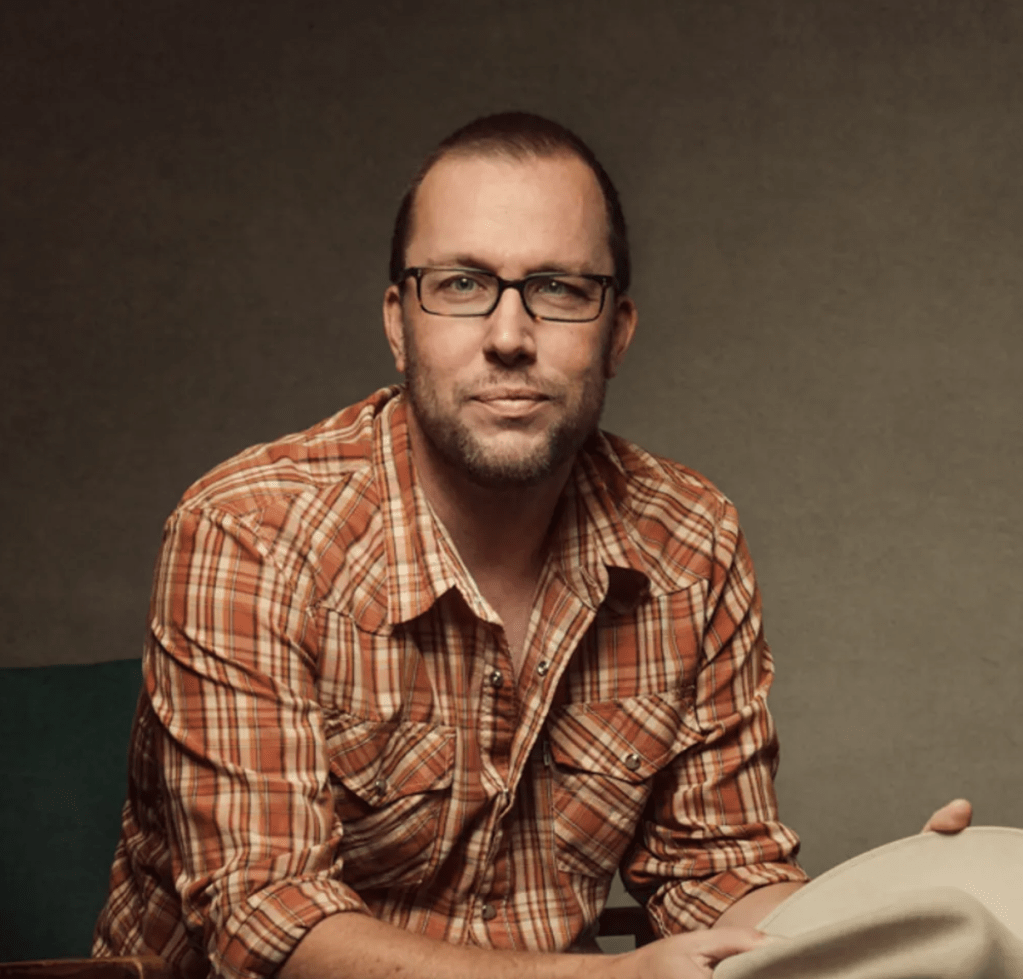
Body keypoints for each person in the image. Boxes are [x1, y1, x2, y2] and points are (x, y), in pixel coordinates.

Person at [93, 112, 971, 979]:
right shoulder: (247, 532)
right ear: (399, 321)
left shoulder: (687, 539)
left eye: (557, 288)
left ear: (616, 331)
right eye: (462, 283)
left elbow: (716, 874)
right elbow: (268, 923)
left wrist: (894, 907)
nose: (509, 336)